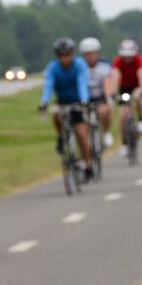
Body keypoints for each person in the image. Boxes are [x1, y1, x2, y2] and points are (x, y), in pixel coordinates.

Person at [40, 37, 94, 182]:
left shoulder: (79, 65)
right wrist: (44, 102)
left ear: (72, 53)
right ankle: (61, 136)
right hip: (62, 100)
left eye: (67, 54)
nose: (64, 58)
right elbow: (49, 85)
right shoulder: (53, 67)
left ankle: (88, 165)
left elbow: (82, 83)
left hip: (78, 100)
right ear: (57, 55)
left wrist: (84, 101)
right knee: (56, 115)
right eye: (61, 55)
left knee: (82, 135)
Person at [111, 39, 142, 154]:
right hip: (124, 88)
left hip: (136, 86)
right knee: (123, 116)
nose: (127, 58)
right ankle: (124, 143)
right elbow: (115, 77)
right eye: (125, 56)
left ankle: (141, 120)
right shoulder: (117, 61)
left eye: (130, 56)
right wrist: (113, 93)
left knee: (138, 99)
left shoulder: (139, 60)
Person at [79, 37, 114, 148]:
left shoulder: (104, 66)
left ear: (97, 53)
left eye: (92, 54)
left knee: (105, 111)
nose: (89, 57)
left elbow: (107, 82)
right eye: (86, 54)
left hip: (100, 95)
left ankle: (106, 132)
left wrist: (108, 98)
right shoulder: (79, 67)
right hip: (85, 97)